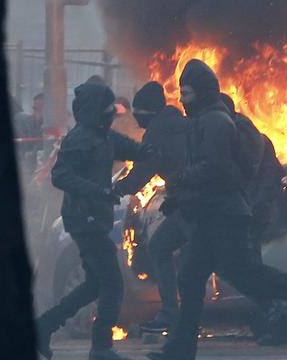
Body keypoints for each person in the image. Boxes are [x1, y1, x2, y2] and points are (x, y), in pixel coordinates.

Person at [147, 59, 287, 360]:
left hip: (225, 216)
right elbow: (207, 174)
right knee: (190, 275)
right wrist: (181, 196)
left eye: (187, 93)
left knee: (249, 277)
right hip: (209, 214)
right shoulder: (205, 121)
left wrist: (180, 181)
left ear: (203, 92)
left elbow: (216, 168)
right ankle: (180, 349)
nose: (183, 100)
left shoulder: (215, 122)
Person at [35, 83, 154, 360]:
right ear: (94, 111)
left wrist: (155, 148)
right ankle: (101, 347)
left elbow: (135, 150)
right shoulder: (79, 140)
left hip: (94, 218)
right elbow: (61, 176)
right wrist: (97, 190)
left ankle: (44, 326)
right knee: (113, 284)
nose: (111, 113)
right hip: (82, 219)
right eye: (106, 109)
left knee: (94, 284)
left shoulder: (105, 137)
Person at [218, 93, 287, 346]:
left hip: (249, 216)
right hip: (248, 215)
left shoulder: (243, 140)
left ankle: (280, 322)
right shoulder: (245, 135)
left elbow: (266, 180)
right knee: (248, 272)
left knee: (251, 273)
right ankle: (270, 323)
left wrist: (252, 211)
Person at [114, 82, 190, 333]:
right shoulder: (183, 124)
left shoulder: (158, 132)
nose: (136, 117)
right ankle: (183, 323)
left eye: (139, 112)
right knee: (212, 263)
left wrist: (117, 189)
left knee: (160, 248)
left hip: (191, 205)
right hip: (196, 202)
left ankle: (172, 314)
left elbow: (143, 173)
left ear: (148, 111)